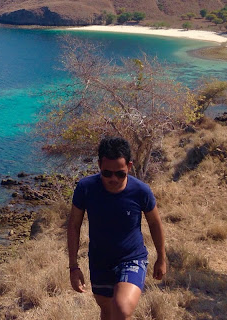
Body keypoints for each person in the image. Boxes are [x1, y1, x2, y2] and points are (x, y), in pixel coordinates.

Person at [67, 137, 166, 320]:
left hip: (132, 259)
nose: (113, 179)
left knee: (121, 309)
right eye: (107, 173)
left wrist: (161, 257)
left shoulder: (141, 191)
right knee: (108, 312)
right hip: (99, 262)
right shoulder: (86, 188)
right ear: (99, 165)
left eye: (120, 174)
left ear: (129, 166)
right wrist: (73, 267)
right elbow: (74, 224)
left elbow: (154, 223)